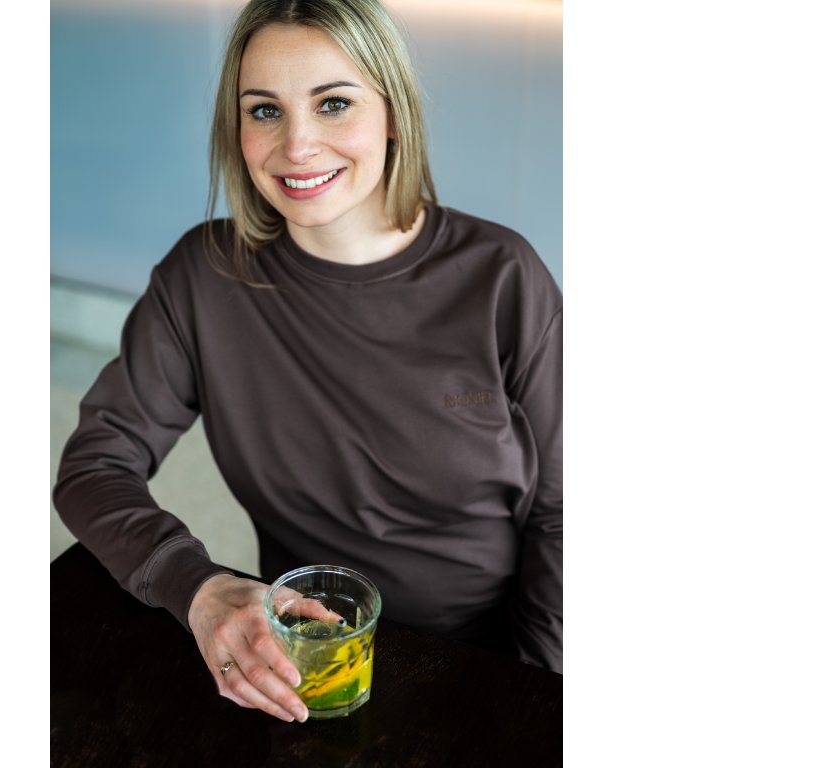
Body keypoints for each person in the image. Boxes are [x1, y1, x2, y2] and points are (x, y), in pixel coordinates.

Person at [54, 0, 562, 724]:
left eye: (333, 103)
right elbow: (93, 466)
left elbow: (566, 517)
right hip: (305, 661)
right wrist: (199, 587)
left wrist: (532, 696)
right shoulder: (204, 278)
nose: (296, 145)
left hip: (493, 660)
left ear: (393, 113)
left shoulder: (503, 277)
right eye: (264, 111)